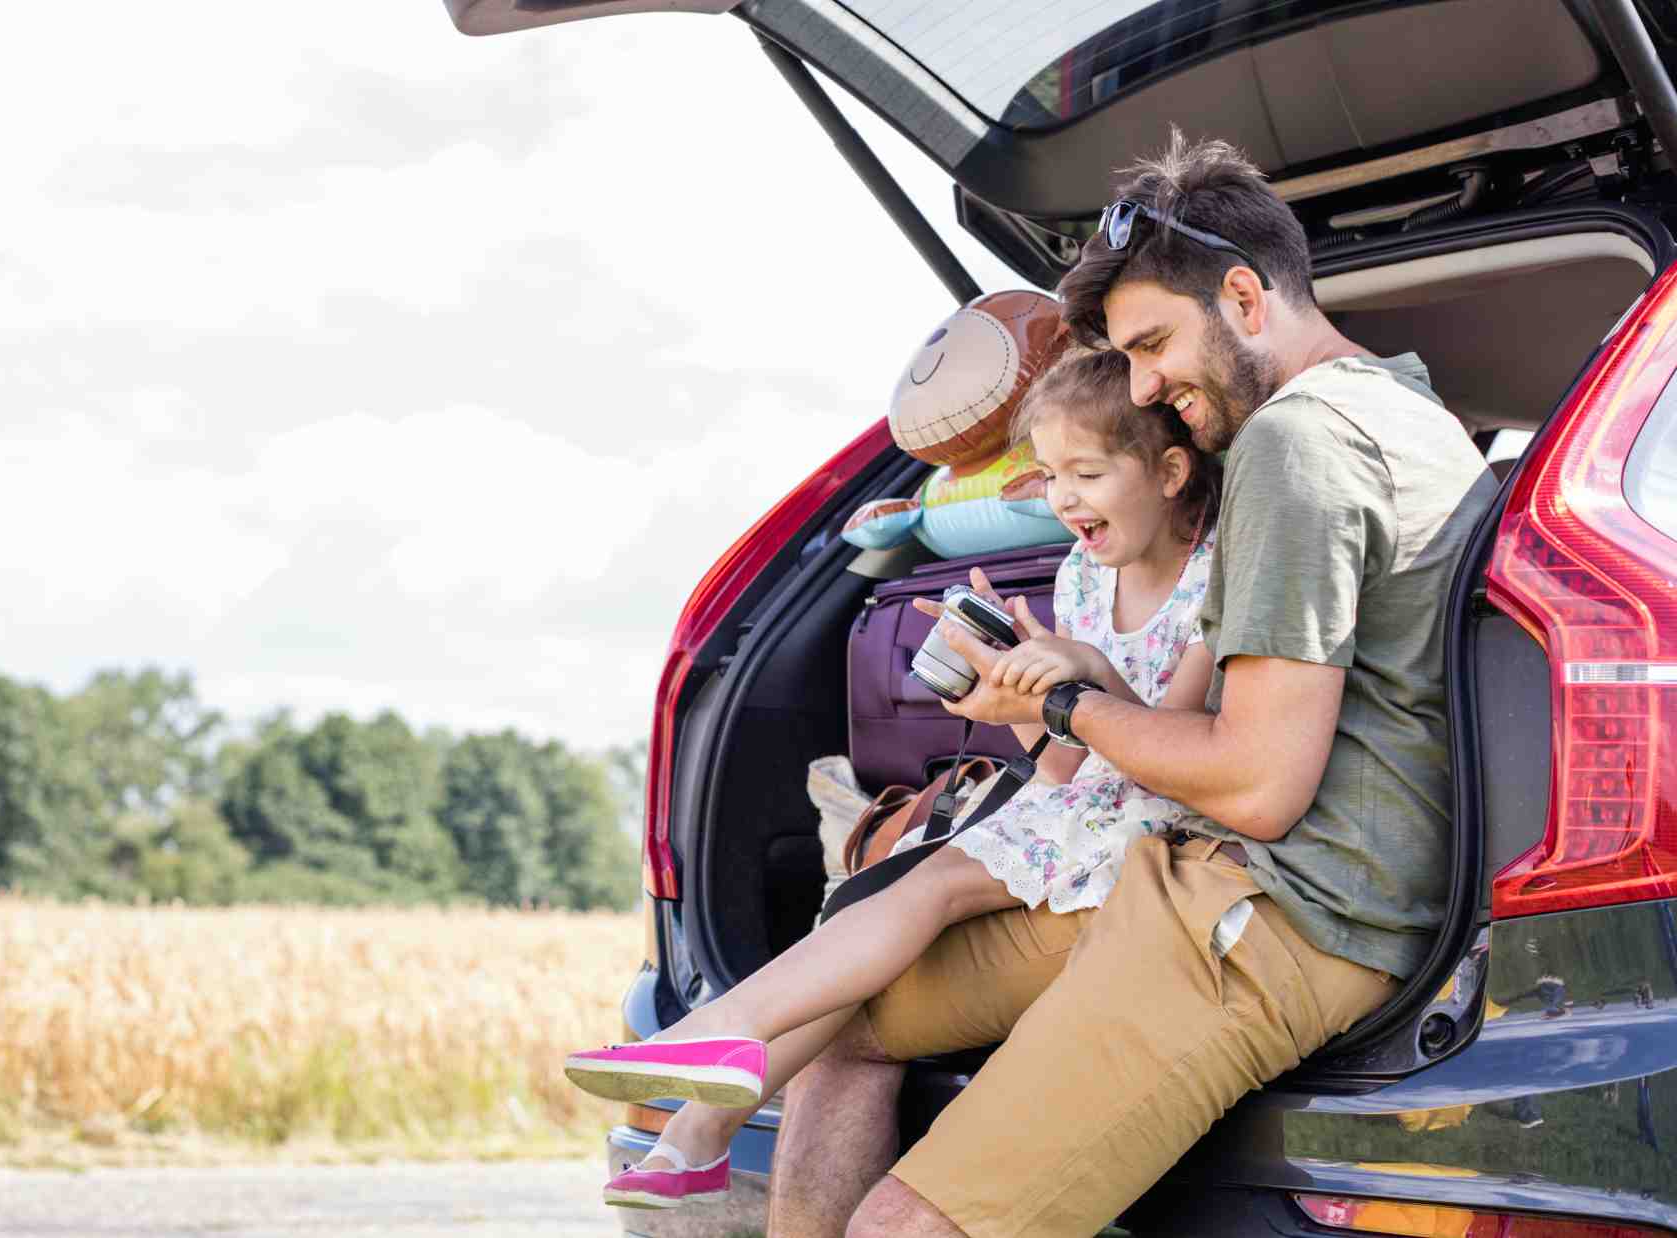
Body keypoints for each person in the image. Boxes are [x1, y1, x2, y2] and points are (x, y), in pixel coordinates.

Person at [749, 130, 1500, 1238]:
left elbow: (1255, 785)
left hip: (1269, 912)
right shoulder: (1410, 410)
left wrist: (1062, 700)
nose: (1148, 387)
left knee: (904, 1229)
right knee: (841, 1009)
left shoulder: (1299, 443)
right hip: (1180, 870)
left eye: (1154, 344)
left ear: (1245, 296)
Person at [564, 346, 1221, 1210]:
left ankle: (716, 1066)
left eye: (1086, 474)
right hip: (1075, 813)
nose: (1062, 500)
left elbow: (1180, 757)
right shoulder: (1080, 574)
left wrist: (1089, 675)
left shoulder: (1214, 580)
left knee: (922, 888)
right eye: (1050, 476)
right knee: (886, 891)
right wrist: (1013, 697)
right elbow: (1060, 763)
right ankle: (705, 1099)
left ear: (1171, 471)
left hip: (1152, 834)